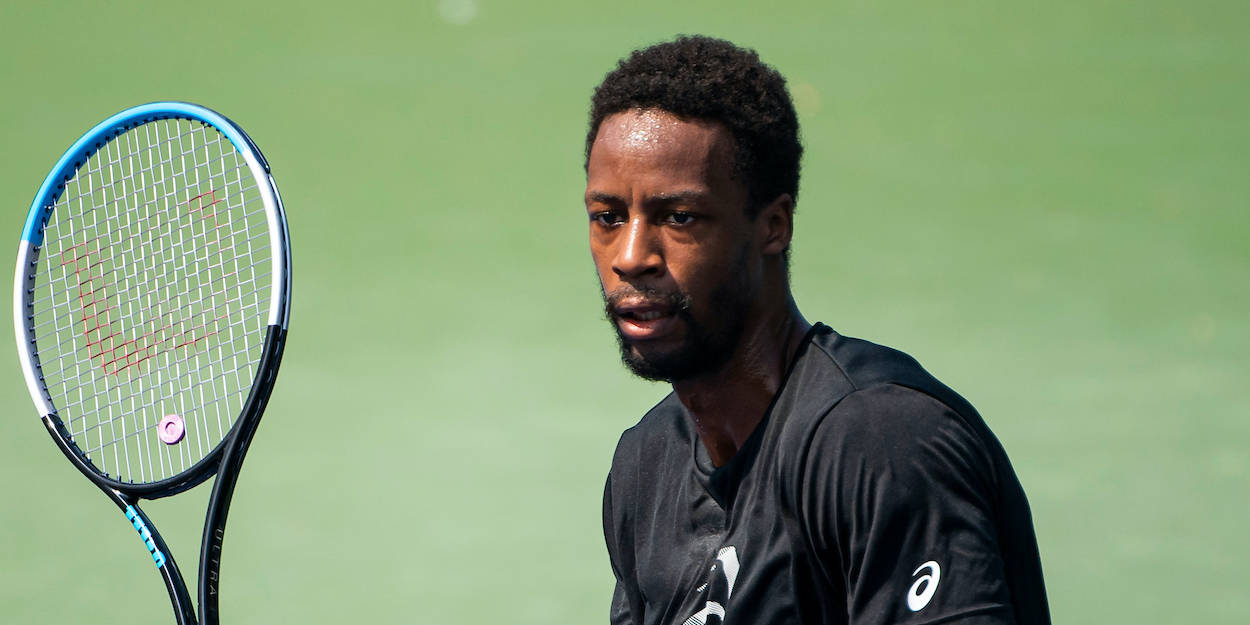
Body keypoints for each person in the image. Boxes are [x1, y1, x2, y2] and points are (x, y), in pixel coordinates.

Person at [584, 36, 1050, 625]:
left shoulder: (879, 442)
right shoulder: (645, 466)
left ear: (773, 226)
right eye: (608, 217)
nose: (630, 255)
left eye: (680, 218)